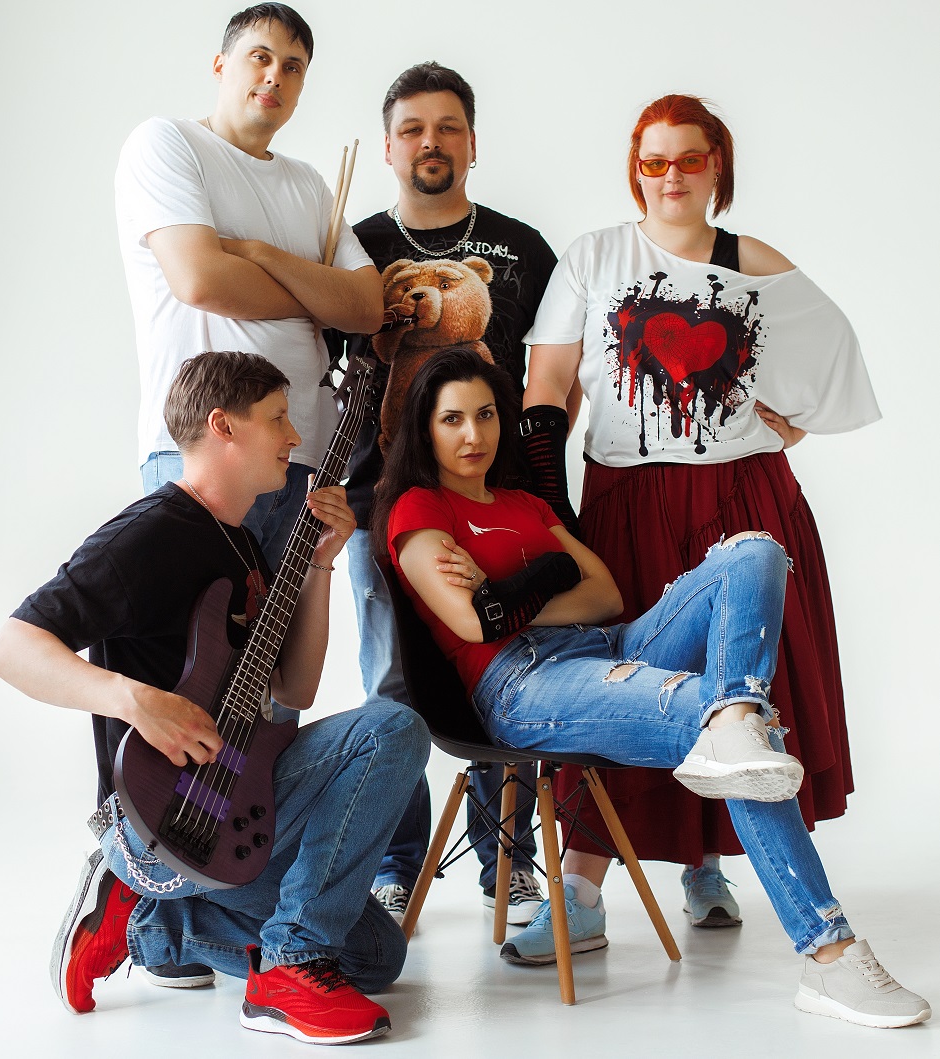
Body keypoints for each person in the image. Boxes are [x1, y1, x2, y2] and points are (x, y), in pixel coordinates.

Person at [372, 347, 928, 1030]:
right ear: (424, 429)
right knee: (729, 732)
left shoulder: (523, 502)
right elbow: (473, 621)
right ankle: (828, 952)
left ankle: (735, 713)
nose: (472, 434)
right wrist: (548, 574)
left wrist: (513, 591)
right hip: (522, 683)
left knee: (754, 550)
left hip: (609, 645)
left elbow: (604, 595)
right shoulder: (417, 507)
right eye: (452, 419)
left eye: (485, 415)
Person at [0, 351, 429, 1046]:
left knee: (379, 956)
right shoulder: (146, 535)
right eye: (278, 418)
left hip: (236, 796)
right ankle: (286, 968)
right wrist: (135, 700)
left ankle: (150, 924)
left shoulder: (246, 547)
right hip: (159, 815)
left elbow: (294, 687)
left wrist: (319, 565)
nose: (294, 437)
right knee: (394, 726)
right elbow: (11, 645)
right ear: (224, 426)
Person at [520, 93, 880, 931]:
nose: (671, 176)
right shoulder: (595, 255)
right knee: (619, 680)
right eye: (654, 161)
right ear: (634, 170)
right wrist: (545, 503)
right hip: (624, 498)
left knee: (738, 689)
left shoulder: (752, 260)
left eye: (689, 159)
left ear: (716, 165)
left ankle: (705, 864)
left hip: (740, 494)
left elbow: (829, 353)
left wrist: (792, 420)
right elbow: (547, 385)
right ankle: (579, 890)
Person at [112, 3, 381, 983]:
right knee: (191, 691)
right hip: (202, 460)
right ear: (221, 63)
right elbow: (197, 279)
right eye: (259, 56)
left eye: (294, 64)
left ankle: (214, 905)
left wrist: (260, 256)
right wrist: (306, 283)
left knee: (265, 715)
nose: (275, 76)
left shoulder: (306, 185)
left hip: (298, 461)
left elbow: (367, 307)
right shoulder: (166, 144)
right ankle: (141, 891)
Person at [327, 61, 559, 925]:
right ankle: (393, 862)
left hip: (497, 500)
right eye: (413, 129)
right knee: (391, 685)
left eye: (448, 127)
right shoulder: (351, 250)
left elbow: (555, 378)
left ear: (471, 142)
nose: (432, 142)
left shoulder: (523, 249)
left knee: (508, 669)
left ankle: (511, 864)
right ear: (388, 147)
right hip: (378, 505)